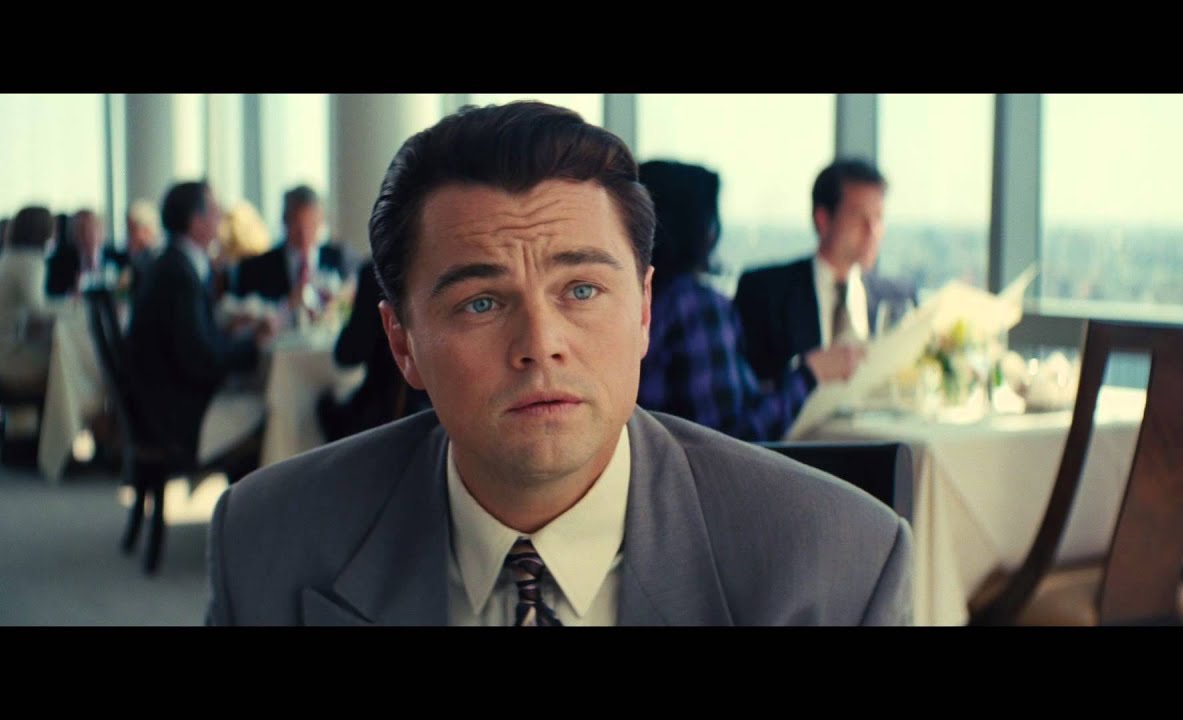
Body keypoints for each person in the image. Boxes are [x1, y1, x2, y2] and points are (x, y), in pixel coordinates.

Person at [206, 102, 911, 626]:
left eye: (581, 290)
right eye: (482, 302)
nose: (541, 343)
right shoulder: (266, 539)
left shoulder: (837, 563)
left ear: (643, 310)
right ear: (402, 343)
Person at [636, 160, 860, 441]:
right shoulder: (698, 307)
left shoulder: (633, 297)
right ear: (702, 229)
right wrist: (812, 373)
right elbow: (732, 439)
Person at [126, 181, 275, 572]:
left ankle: (247, 526)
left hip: (157, 405)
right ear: (195, 222)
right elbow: (202, 361)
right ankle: (256, 533)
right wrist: (254, 344)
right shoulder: (178, 273)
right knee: (274, 410)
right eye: (213, 210)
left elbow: (190, 340)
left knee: (260, 398)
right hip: (177, 415)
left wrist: (229, 330)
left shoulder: (169, 263)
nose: (220, 216)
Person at [734, 159, 917, 391]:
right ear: (823, 220)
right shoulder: (765, 293)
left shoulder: (898, 297)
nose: (872, 231)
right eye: (858, 216)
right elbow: (752, 394)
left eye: (878, 217)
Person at [316, 258, 431, 442]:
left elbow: (348, 355)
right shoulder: (444, 266)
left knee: (323, 404)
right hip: (436, 413)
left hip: (383, 415)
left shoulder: (376, 273)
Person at [233, 185, 347, 305]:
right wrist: (286, 305)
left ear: (321, 222)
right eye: (298, 225)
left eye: (311, 224)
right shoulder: (255, 269)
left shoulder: (341, 260)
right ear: (285, 221)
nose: (304, 233)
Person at [0, 206, 56, 396]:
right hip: (11, 361)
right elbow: (38, 311)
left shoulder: (9, 257)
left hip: (5, 355)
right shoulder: (30, 261)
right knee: (68, 360)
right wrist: (74, 308)